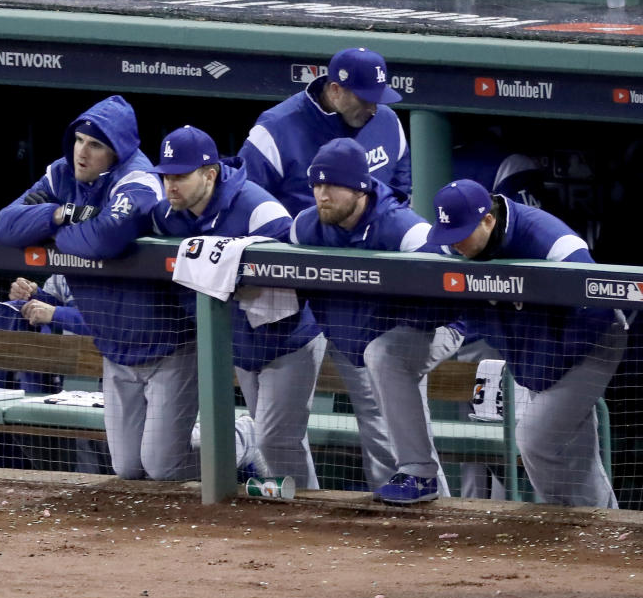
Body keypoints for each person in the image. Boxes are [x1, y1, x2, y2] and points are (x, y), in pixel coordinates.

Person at [0, 95, 202, 481]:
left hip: (168, 346)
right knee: (127, 468)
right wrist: (61, 214)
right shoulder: (62, 177)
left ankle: (237, 443)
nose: (81, 153)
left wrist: (54, 233)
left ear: (116, 151)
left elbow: (105, 239)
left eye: (96, 145)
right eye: (79, 141)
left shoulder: (139, 180)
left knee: (162, 467)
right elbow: (3, 226)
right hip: (114, 349)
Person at [425, 179, 627, 508]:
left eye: (461, 232)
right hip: (537, 345)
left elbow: (596, 310)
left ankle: (562, 522)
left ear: (488, 219)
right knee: (574, 452)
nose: (454, 243)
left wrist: (549, 367)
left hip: (594, 340)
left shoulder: (551, 241)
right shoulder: (457, 246)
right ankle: (603, 527)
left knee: (536, 439)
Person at [290, 137, 462, 504]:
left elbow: (448, 283)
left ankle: (420, 477)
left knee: (386, 356)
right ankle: (436, 499)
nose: (321, 194)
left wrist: (406, 319)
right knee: (385, 366)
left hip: (435, 324)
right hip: (365, 337)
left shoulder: (402, 228)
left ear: (360, 188)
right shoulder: (305, 227)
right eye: (316, 185)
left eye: (332, 185)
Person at [149, 125, 322, 488]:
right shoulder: (168, 216)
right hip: (240, 344)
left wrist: (233, 283)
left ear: (210, 174)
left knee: (277, 439)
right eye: (165, 177)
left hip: (287, 339)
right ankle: (292, 506)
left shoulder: (259, 209)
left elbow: (296, 280)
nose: (170, 186)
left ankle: (307, 515)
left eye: (180, 176)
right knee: (277, 442)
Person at [240, 47, 410, 217]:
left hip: (373, 240)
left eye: (377, 100)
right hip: (299, 241)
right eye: (364, 100)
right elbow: (246, 201)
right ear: (335, 90)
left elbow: (399, 192)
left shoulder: (388, 121)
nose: (373, 109)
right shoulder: (276, 129)